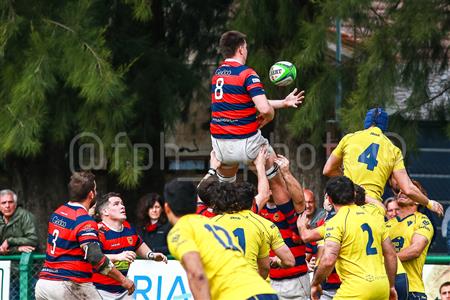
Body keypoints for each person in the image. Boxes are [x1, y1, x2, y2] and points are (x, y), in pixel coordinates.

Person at [210, 30, 303, 207]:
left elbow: (244, 101)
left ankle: (227, 226)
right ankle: (286, 226)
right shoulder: (247, 74)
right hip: (247, 142)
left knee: (225, 190)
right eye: (245, 47)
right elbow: (263, 108)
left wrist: (283, 102)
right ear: (241, 50)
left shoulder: (218, 74)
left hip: (221, 144)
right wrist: (268, 117)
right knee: (277, 183)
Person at [164, 179, 278, 300]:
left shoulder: (180, 230)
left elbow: (196, 274)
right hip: (265, 291)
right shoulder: (215, 226)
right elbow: (264, 267)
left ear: (167, 208)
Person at [323, 107, 443, 216]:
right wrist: (429, 203)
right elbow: (408, 188)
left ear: (366, 122)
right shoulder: (393, 150)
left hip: (347, 203)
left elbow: (328, 169)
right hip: (372, 208)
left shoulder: (349, 138)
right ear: (384, 127)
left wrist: (347, 182)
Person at [35, 171, 134, 300]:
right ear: (91, 194)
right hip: (70, 284)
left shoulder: (58, 213)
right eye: (96, 189)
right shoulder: (85, 222)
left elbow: (70, 239)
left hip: (44, 285)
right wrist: (123, 280)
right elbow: (96, 258)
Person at [311, 176, 397, 300]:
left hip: (356, 289)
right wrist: (391, 286)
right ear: (354, 194)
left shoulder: (336, 222)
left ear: (329, 199)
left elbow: (329, 259)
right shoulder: (374, 218)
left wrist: (315, 283)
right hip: (381, 287)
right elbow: (391, 254)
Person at [211, 181, 295, 278]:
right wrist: (277, 262)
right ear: (254, 201)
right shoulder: (264, 225)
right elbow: (289, 261)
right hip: (253, 285)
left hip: (222, 285)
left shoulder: (212, 223)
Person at [93, 192, 167, 299]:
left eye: (122, 203)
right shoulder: (97, 231)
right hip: (99, 290)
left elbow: (138, 244)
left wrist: (152, 255)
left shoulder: (128, 228)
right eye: (116, 204)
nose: (122, 206)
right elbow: (94, 259)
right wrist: (118, 257)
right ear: (105, 211)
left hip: (123, 290)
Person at [386, 180, 434, 300]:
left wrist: (386, 261)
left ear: (418, 199)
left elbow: (415, 250)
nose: (402, 192)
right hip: (386, 289)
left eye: (408, 191)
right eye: (401, 190)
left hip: (412, 291)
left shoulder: (423, 221)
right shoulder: (386, 225)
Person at [0, 189, 38, 254]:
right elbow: (2, 249)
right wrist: (16, 249)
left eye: (10, 202)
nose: (7, 206)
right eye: (3, 203)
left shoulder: (25, 216)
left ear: (15, 204)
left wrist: (9, 241)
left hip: (25, 261)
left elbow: (33, 240)